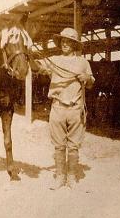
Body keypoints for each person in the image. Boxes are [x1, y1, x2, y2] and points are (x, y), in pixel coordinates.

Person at [30, 27, 95, 190]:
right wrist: (27, 51)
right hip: (57, 108)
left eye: (69, 41)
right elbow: (36, 66)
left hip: (76, 109)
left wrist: (87, 77)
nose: (65, 44)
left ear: (74, 44)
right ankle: (60, 177)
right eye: (63, 41)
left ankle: (71, 177)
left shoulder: (83, 62)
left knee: (73, 146)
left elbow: (92, 83)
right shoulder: (53, 60)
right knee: (59, 146)